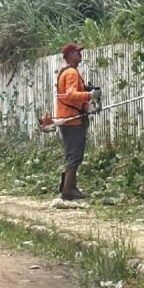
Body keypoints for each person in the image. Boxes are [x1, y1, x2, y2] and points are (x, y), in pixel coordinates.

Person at [55, 43, 101, 200]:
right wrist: (90, 95)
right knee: (75, 155)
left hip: (68, 118)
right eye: (77, 52)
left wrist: (86, 90)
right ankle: (68, 190)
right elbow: (71, 95)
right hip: (73, 119)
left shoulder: (66, 71)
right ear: (69, 55)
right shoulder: (72, 73)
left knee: (71, 154)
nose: (80, 54)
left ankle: (68, 186)